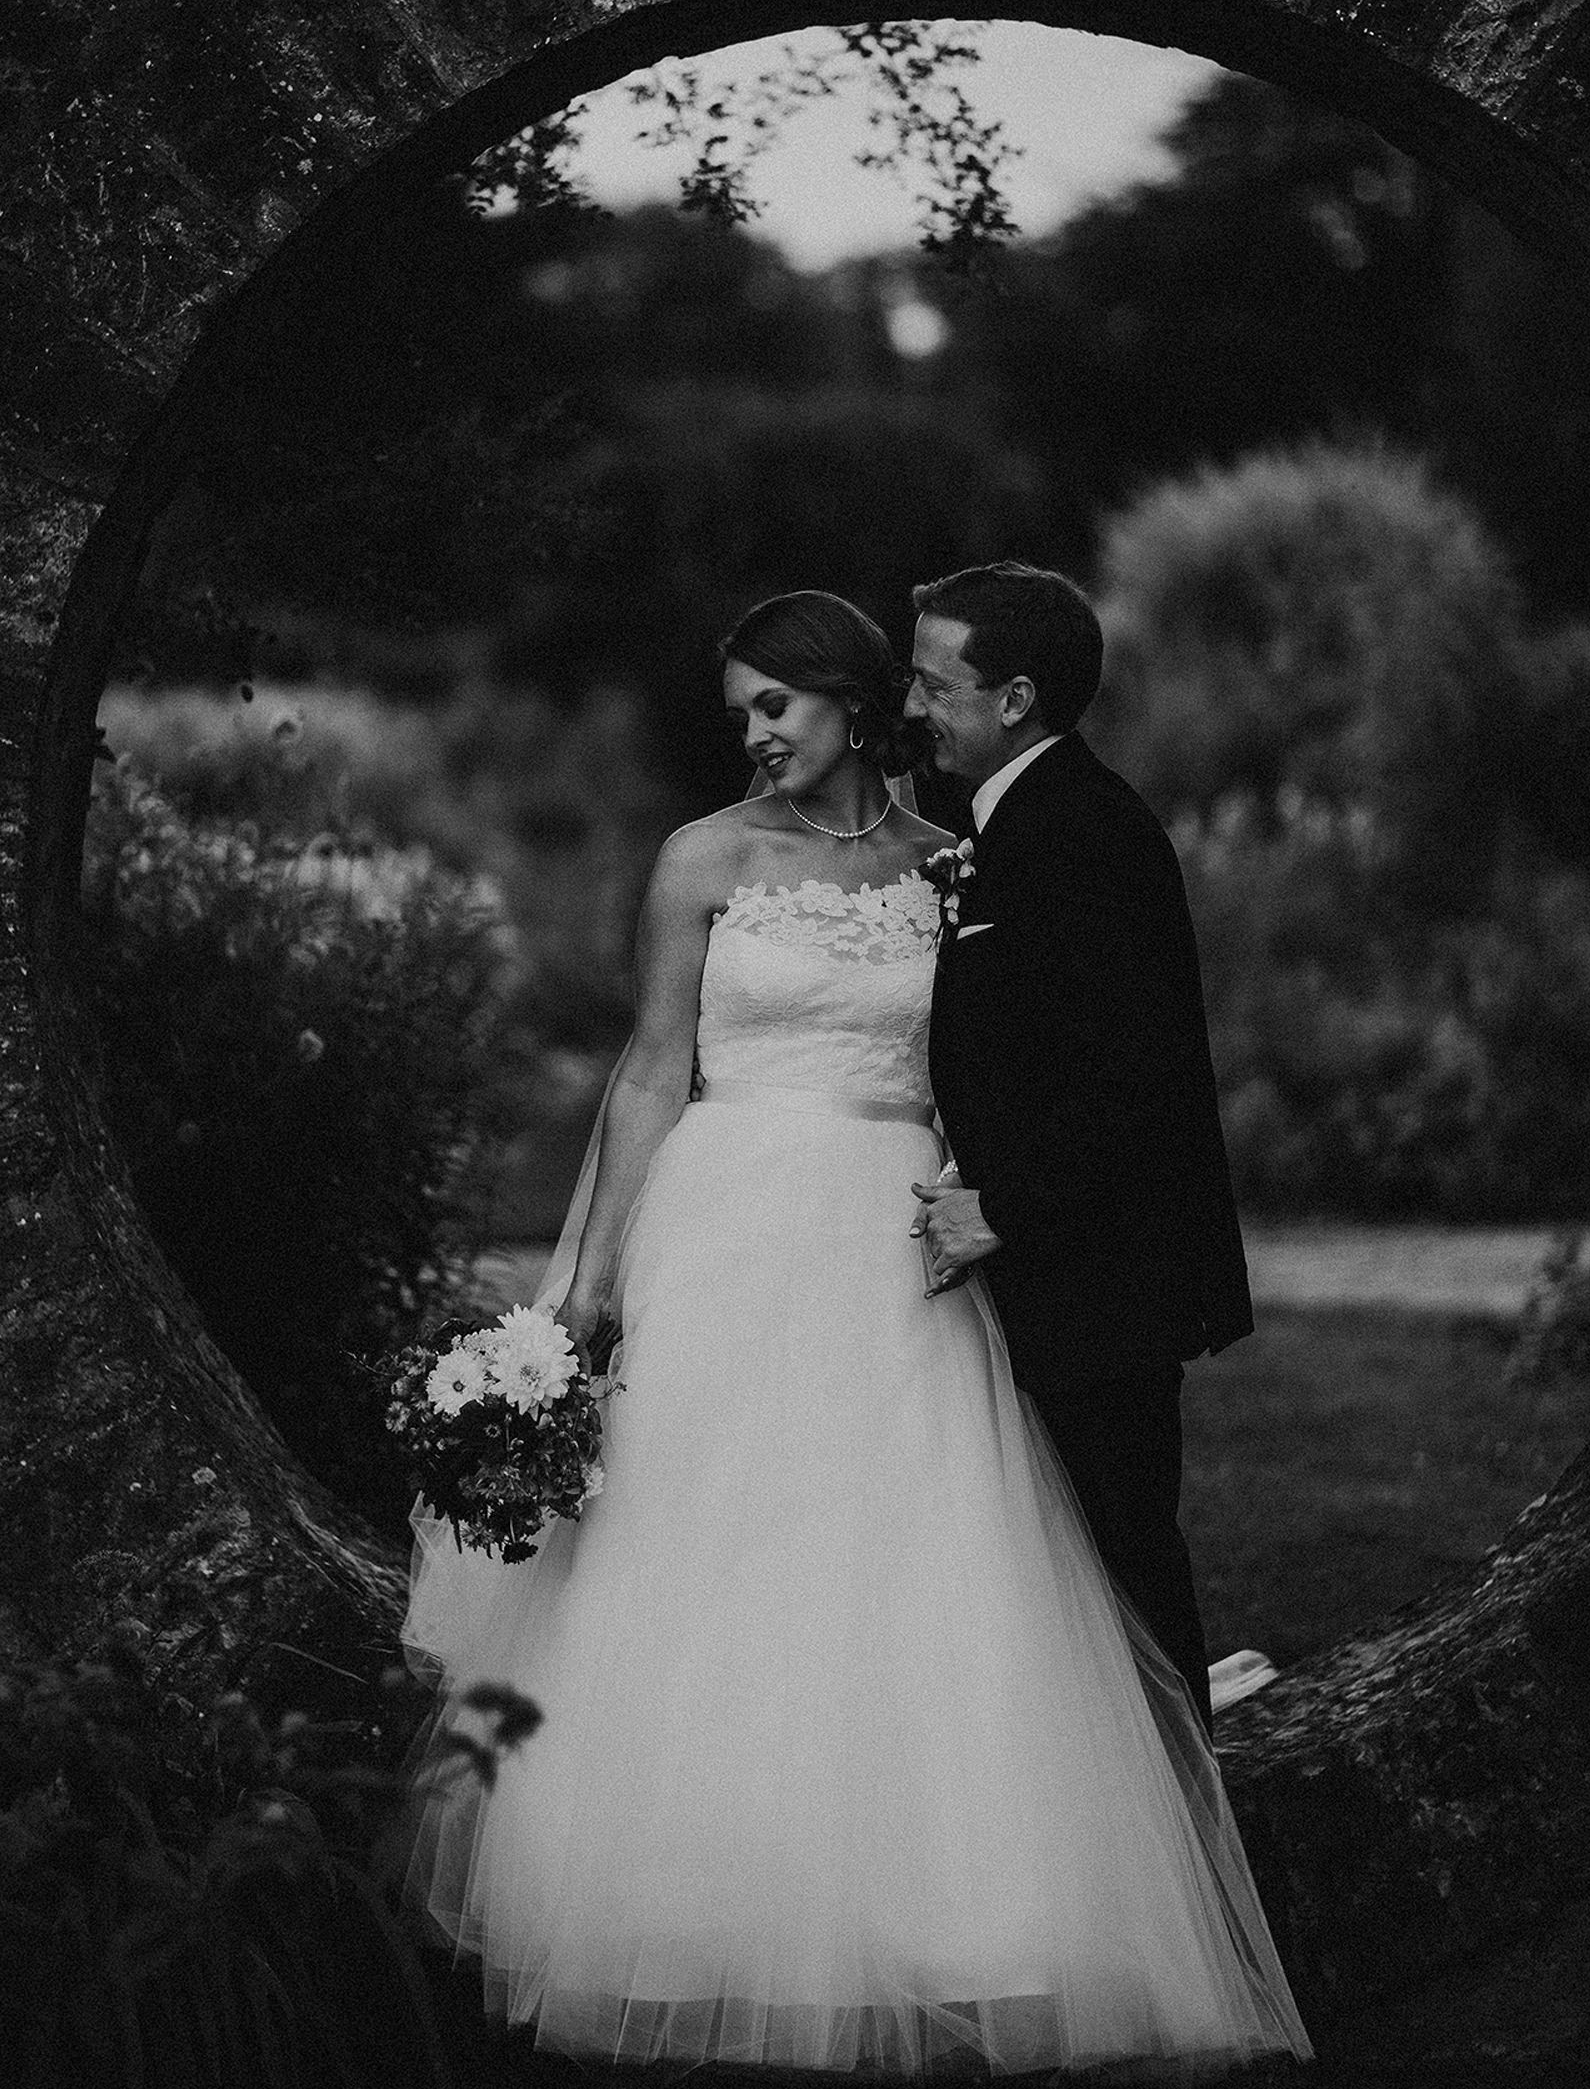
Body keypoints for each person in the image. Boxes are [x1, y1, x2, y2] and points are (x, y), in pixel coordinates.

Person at [395, 589, 1310, 2077]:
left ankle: (943, 1909)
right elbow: (645, 1071)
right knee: (712, 1549)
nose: (752, 736)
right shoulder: (702, 857)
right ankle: (691, 1901)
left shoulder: (956, 857)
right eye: (740, 712)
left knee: (916, 1557)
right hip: (730, 1213)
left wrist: (998, 1191)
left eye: (774, 705)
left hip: (900, 1234)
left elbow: (1009, 1054)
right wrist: (596, 1278)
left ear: (853, 702)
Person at [906, 561, 1253, 1734]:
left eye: (931, 683)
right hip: (1065, 1266)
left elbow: (1143, 1074)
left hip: (1107, 1275)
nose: (913, 708)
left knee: (1125, 1567)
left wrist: (1003, 1202)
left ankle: (1191, 1836)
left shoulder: (1090, 832)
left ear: (1013, 700)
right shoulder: (1001, 824)